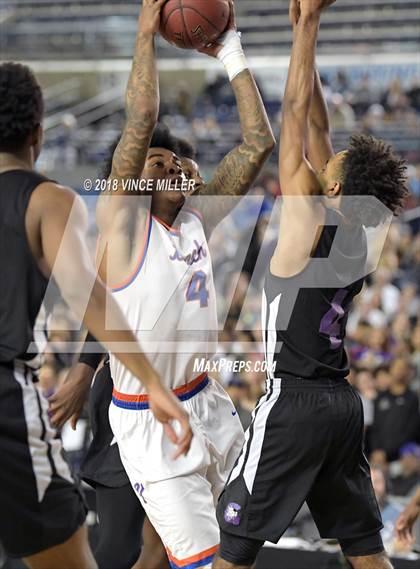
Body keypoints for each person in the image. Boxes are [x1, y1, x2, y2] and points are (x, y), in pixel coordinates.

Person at [50, 1, 275, 567]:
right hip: (150, 417)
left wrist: (229, 49)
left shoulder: (200, 216)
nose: (169, 165)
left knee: (224, 550)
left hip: (210, 403)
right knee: (204, 559)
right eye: (154, 163)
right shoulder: (124, 224)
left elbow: (257, 145)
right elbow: (141, 116)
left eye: (176, 159)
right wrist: (147, 33)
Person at [213, 1, 408, 569]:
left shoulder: (304, 224)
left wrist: (310, 25)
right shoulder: (366, 229)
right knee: (366, 551)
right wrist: (304, 28)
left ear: (332, 189)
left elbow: (296, 119)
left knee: (233, 549)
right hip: (342, 404)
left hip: (293, 401)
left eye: (332, 166)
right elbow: (319, 127)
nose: (326, 160)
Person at [0, 59, 192, 569]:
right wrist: (143, 379)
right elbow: (95, 297)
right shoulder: (53, 201)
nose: (172, 172)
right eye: (158, 164)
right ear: (39, 133)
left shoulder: (189, 225)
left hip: (147, 397)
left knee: (147, 544)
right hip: (43, 396)